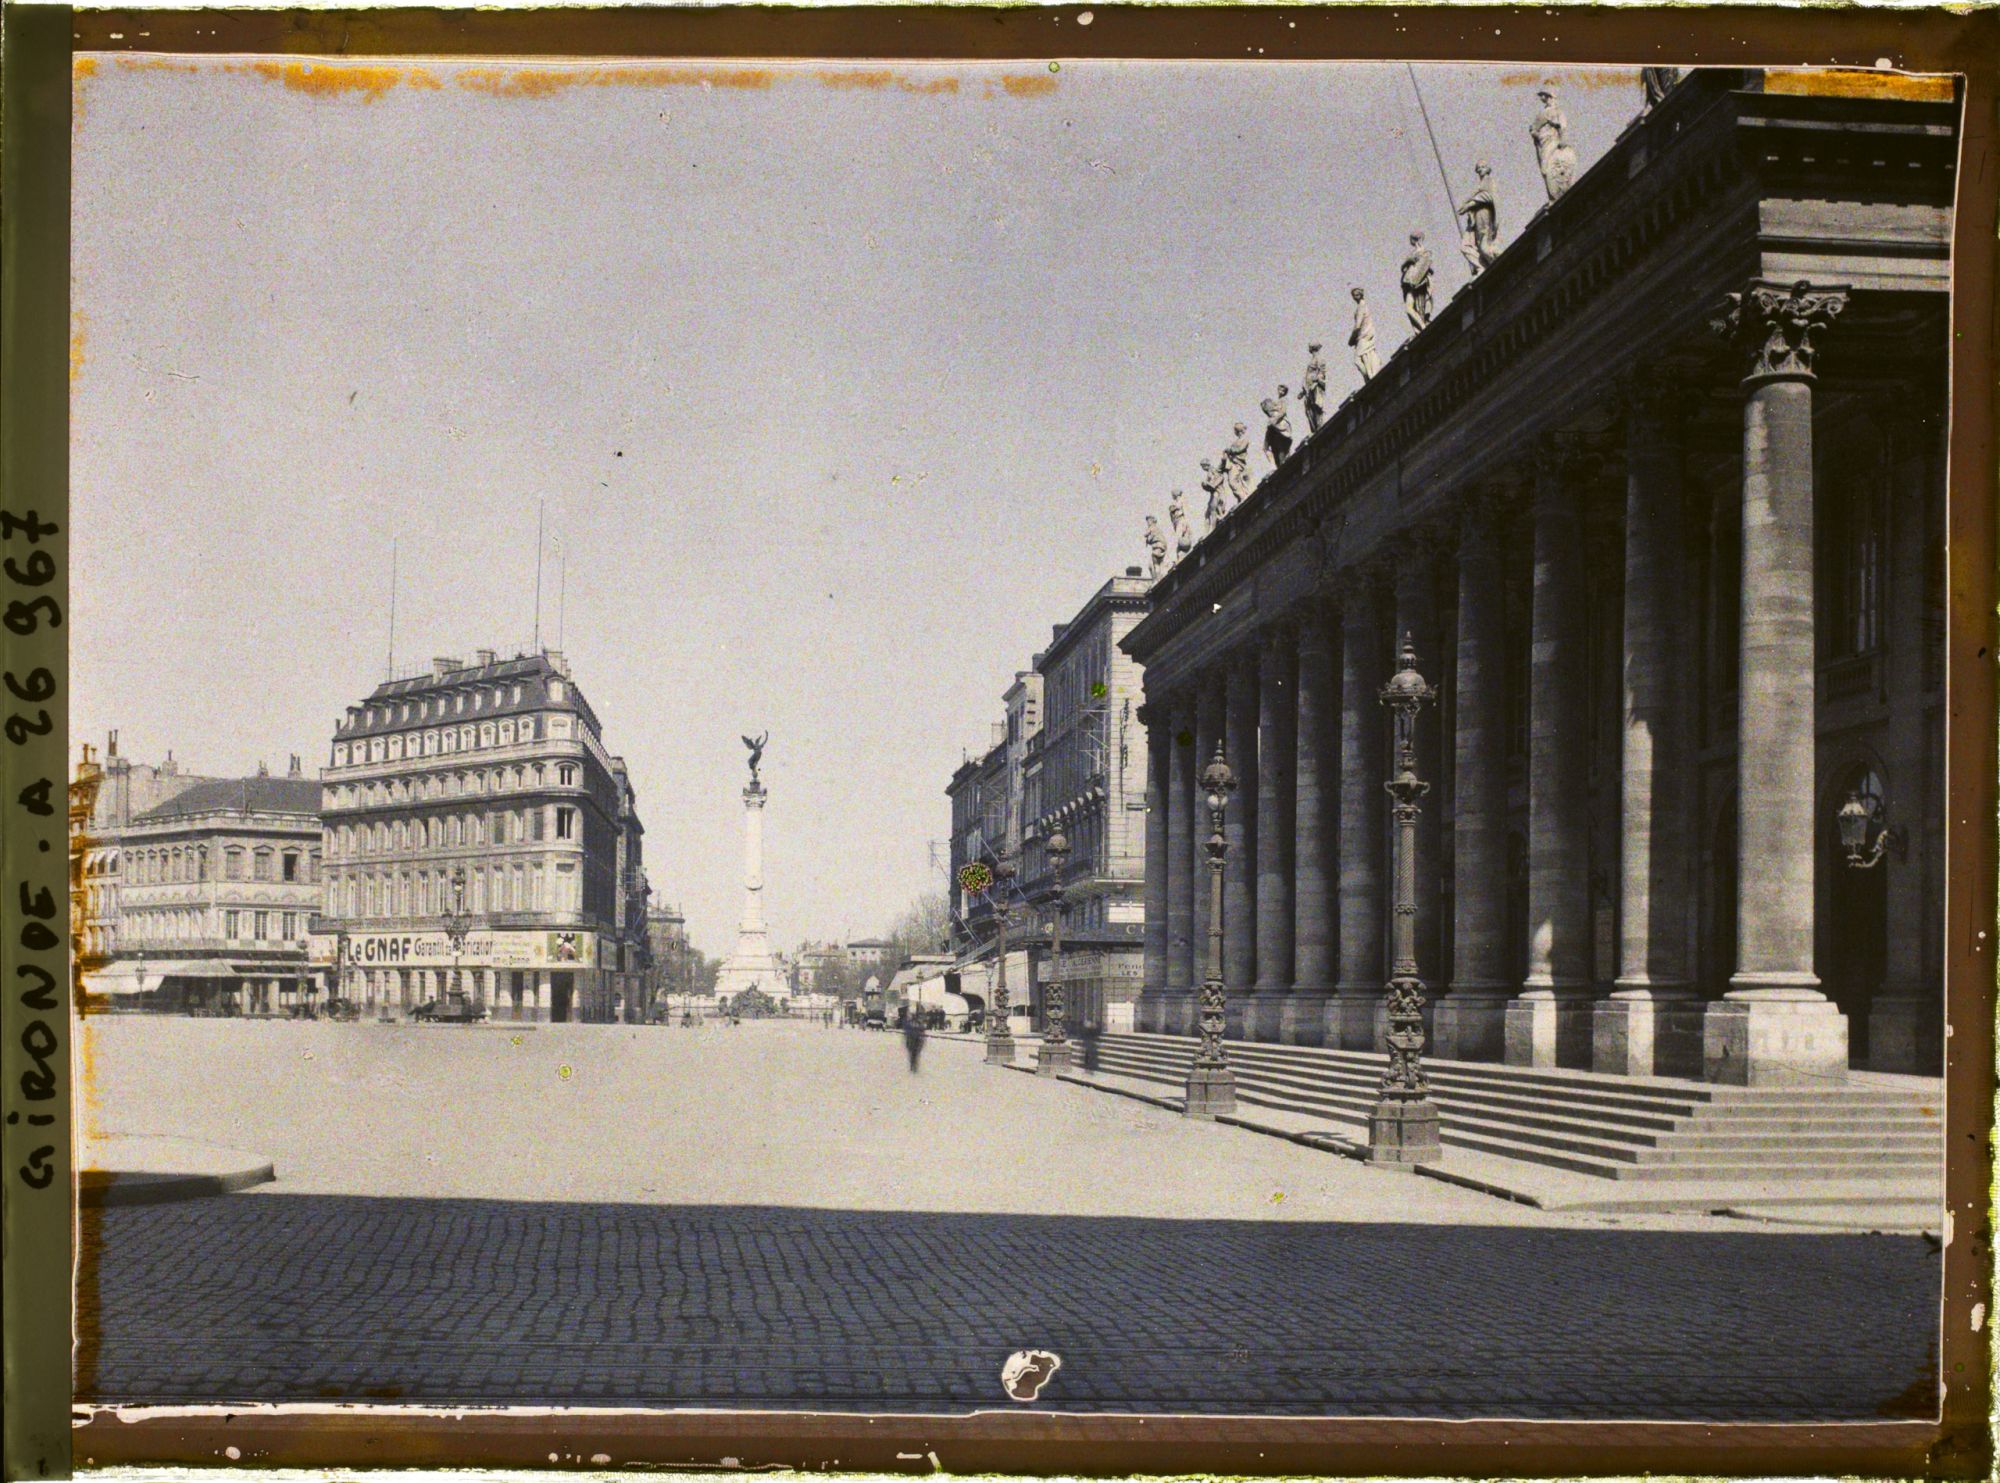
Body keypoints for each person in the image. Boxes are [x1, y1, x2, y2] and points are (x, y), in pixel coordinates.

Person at [1459, 161, 1499, 275]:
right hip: (1478, 216)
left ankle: (1499, 264)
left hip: (1484, 214)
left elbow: (1487, 196)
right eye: (1478, 168)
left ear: (1488, 169)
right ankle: (1483, 266)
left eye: (1483, 167)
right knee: (1467, 246)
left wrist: (1469, 205)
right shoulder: (1481, 183)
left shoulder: (1488, 181)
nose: (1480, 169)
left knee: (1484, 246)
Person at [1400, 229, 1434, 330]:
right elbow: (1404, 267)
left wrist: (1408, 262)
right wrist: (1407, 262)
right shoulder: (1416, 252)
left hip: (1418, 283)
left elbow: (1425, 266)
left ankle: (1423, 326)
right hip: (1410, 283)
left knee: (1415, 307)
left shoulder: (1424, 252)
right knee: (1410, 308)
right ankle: (1421, 327)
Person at [1349, 287, 1380, 381]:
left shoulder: (1361, 307)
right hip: (1366, 336)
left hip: (1363, 337)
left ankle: (1369, 378)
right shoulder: (1364, 305)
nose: (1354, 297)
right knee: (1366, 357)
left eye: (1356, 294)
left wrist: (1351, 340)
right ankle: (1370, 377)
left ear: (1360, 295)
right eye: (1353, 295)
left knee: (1357, 360)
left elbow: (1357, 326)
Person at [1299, 343, 1328, 433]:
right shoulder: (1312, 360)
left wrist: (1315, 381)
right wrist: (1303, 391)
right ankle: (1315, 430)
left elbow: (1322, 372)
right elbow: (1308, 375)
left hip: (1315, 387)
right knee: (1309, 411)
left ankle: (1320, 428)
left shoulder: (1319, 359)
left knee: (1317, 407)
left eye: (1310, 347)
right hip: (1308, 389)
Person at [903, 1004, 928, 1072]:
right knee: (914, 1054)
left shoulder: (915, 1022)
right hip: (913, 1040)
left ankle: (914, 1066)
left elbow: (921, 1031)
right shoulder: (912, 1022)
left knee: (914, 1054)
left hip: (915, 1040)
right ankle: (913, 1066)